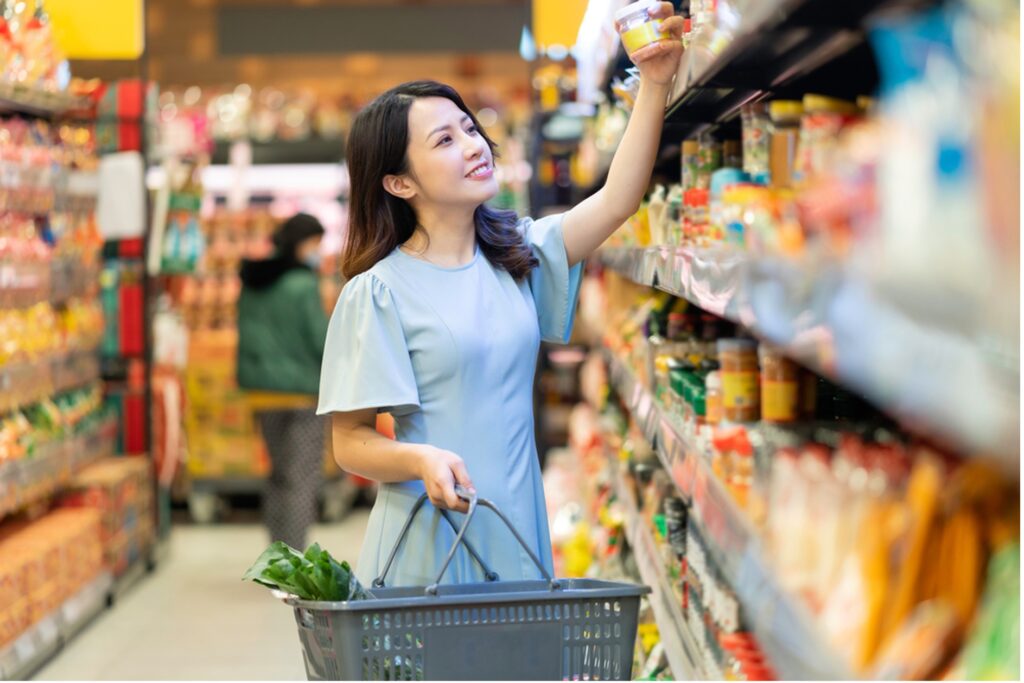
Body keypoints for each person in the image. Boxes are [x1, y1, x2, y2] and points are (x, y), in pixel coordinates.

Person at [318, 4, 684, 587]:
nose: (472, 144)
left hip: (517, 523)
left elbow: (618, 200)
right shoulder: (378, 293)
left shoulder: (518, 255)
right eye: (444, 139)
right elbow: (349, 442)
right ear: (399, 182)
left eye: (468, 127)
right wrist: (419, 459)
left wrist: (656, 83)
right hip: (430, 530)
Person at [237, 212, 330, 550]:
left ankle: (277, 550)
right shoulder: (303, 284)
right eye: (316, 243)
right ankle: (295, 554)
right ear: (302, 243)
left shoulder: (254, 280)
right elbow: (320, 339)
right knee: (301, 478)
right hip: (301, 393)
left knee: (278, 474)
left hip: (263, 392)